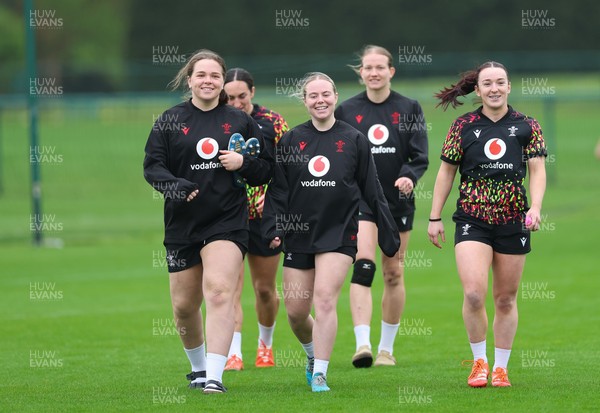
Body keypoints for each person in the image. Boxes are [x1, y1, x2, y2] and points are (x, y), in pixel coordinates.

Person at [143, 50, 273, 394]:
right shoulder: (170, 120)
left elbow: (264, 171)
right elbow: (152, 167)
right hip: (182, 225)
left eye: (215, 76)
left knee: (218, 291)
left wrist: (242, 162)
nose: (208, 81)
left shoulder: (240, 121)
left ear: (222, 81)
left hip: (227, 221)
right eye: (201, 75)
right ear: (190, 80)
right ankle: (199, 369)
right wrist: (176, 186)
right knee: (184, 307)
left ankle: (215, 375)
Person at [262, 72, 400, 392]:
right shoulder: (293, 140)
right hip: (299, 234)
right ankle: (312, 356)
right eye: (313, 95)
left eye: (325, 94)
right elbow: (279, 190)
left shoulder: (354, 140)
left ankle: (321, 373)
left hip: (339, 233)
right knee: (296, 312)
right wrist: (273, 226)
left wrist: (387, 233)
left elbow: (372, 190)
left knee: (324, 300)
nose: (320, 100)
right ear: (305, 101)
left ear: (336, 96)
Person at [428, 61, 547, 387]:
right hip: (472, 220)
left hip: (513, 220)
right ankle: (479, 362)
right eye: (488, 84)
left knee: (506, 299)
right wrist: (435, 216)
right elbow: (446, 172)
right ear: (477, 90)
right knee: (474, 294)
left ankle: (501, 368)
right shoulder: (463, 126)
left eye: (500, 82)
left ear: (508, 87)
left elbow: (536, 169)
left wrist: (535, 208)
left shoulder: (527, 125)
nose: (494, 88)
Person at [335, 45, 429, 368]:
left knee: (392, 273)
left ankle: (386, 350)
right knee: (363, 264)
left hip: (397, 202)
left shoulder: (409, 107)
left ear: (391, 71)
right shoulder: (346, 110)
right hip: (360, 200)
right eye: (367, 67)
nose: (373, 72)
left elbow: (420, 156)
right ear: (360, 72)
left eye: (380, 67)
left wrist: (408, 177)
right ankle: (363, 345)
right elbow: (338, 153)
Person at [222, 68, 289, 370]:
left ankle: (266, 344)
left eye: (241, 96)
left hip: (264, 216)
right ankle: (233, 352)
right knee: (228, 288)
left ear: (253, 92)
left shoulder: (273, 123)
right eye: (230, 97)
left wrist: (273, 202)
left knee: (264, 288)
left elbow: (288, 168)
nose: (235, 103)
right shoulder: (216, 120)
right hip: (226, 214)